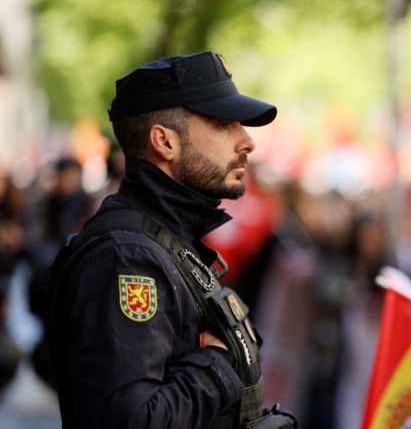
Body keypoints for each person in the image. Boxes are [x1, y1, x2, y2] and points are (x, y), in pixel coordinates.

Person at [46, 52, 294, 428]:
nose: (247, 141)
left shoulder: (168, 239)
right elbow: (130, 421)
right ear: (164, 141)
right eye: (224, 125)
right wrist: (217, 365)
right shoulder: (126, 257)